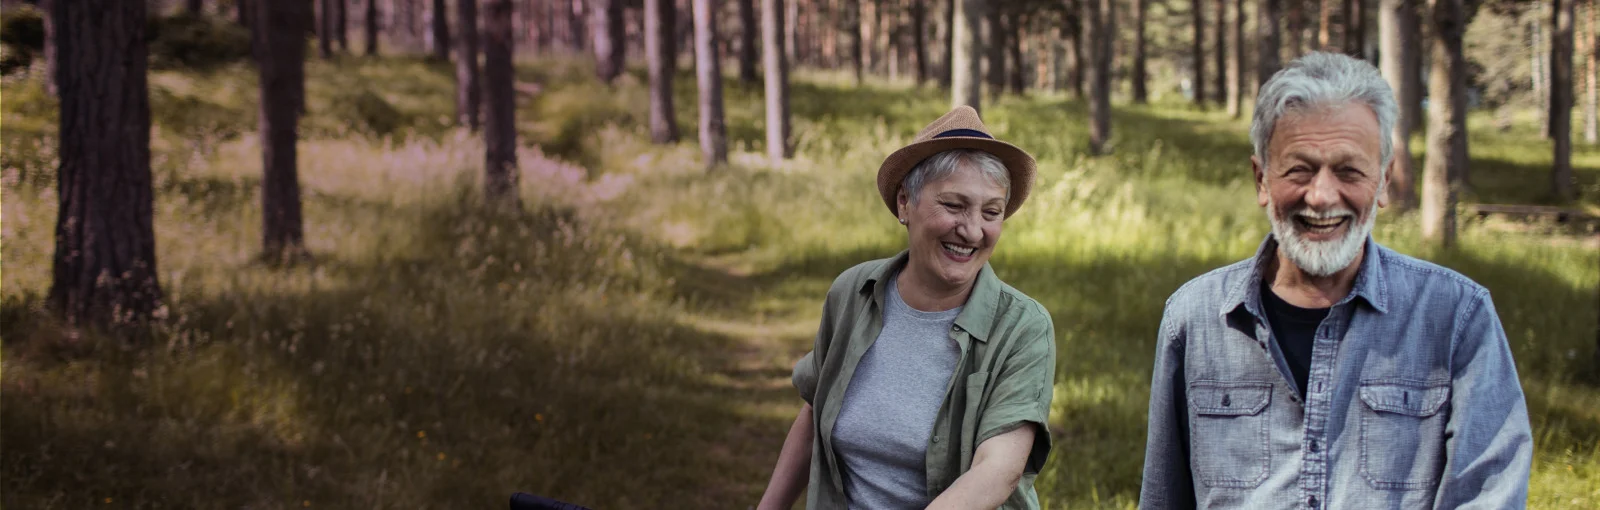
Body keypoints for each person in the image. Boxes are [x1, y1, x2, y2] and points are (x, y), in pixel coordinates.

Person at [1138, 52, 1534, 509]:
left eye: (1349, 171)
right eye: (1299, 170)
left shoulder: (1457, 316)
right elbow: (1164, 499)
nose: (1322, 196)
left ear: (1384, 182)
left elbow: (1490, 496)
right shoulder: (1194, 317)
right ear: (1261, 179)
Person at [756, 106, 1057, 510]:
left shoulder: (1022, 326)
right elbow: (813, 417)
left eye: (991, 213)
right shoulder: (852, 293)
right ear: (905, 203)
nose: (971, 231)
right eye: (953, 206)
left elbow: (998, 470)